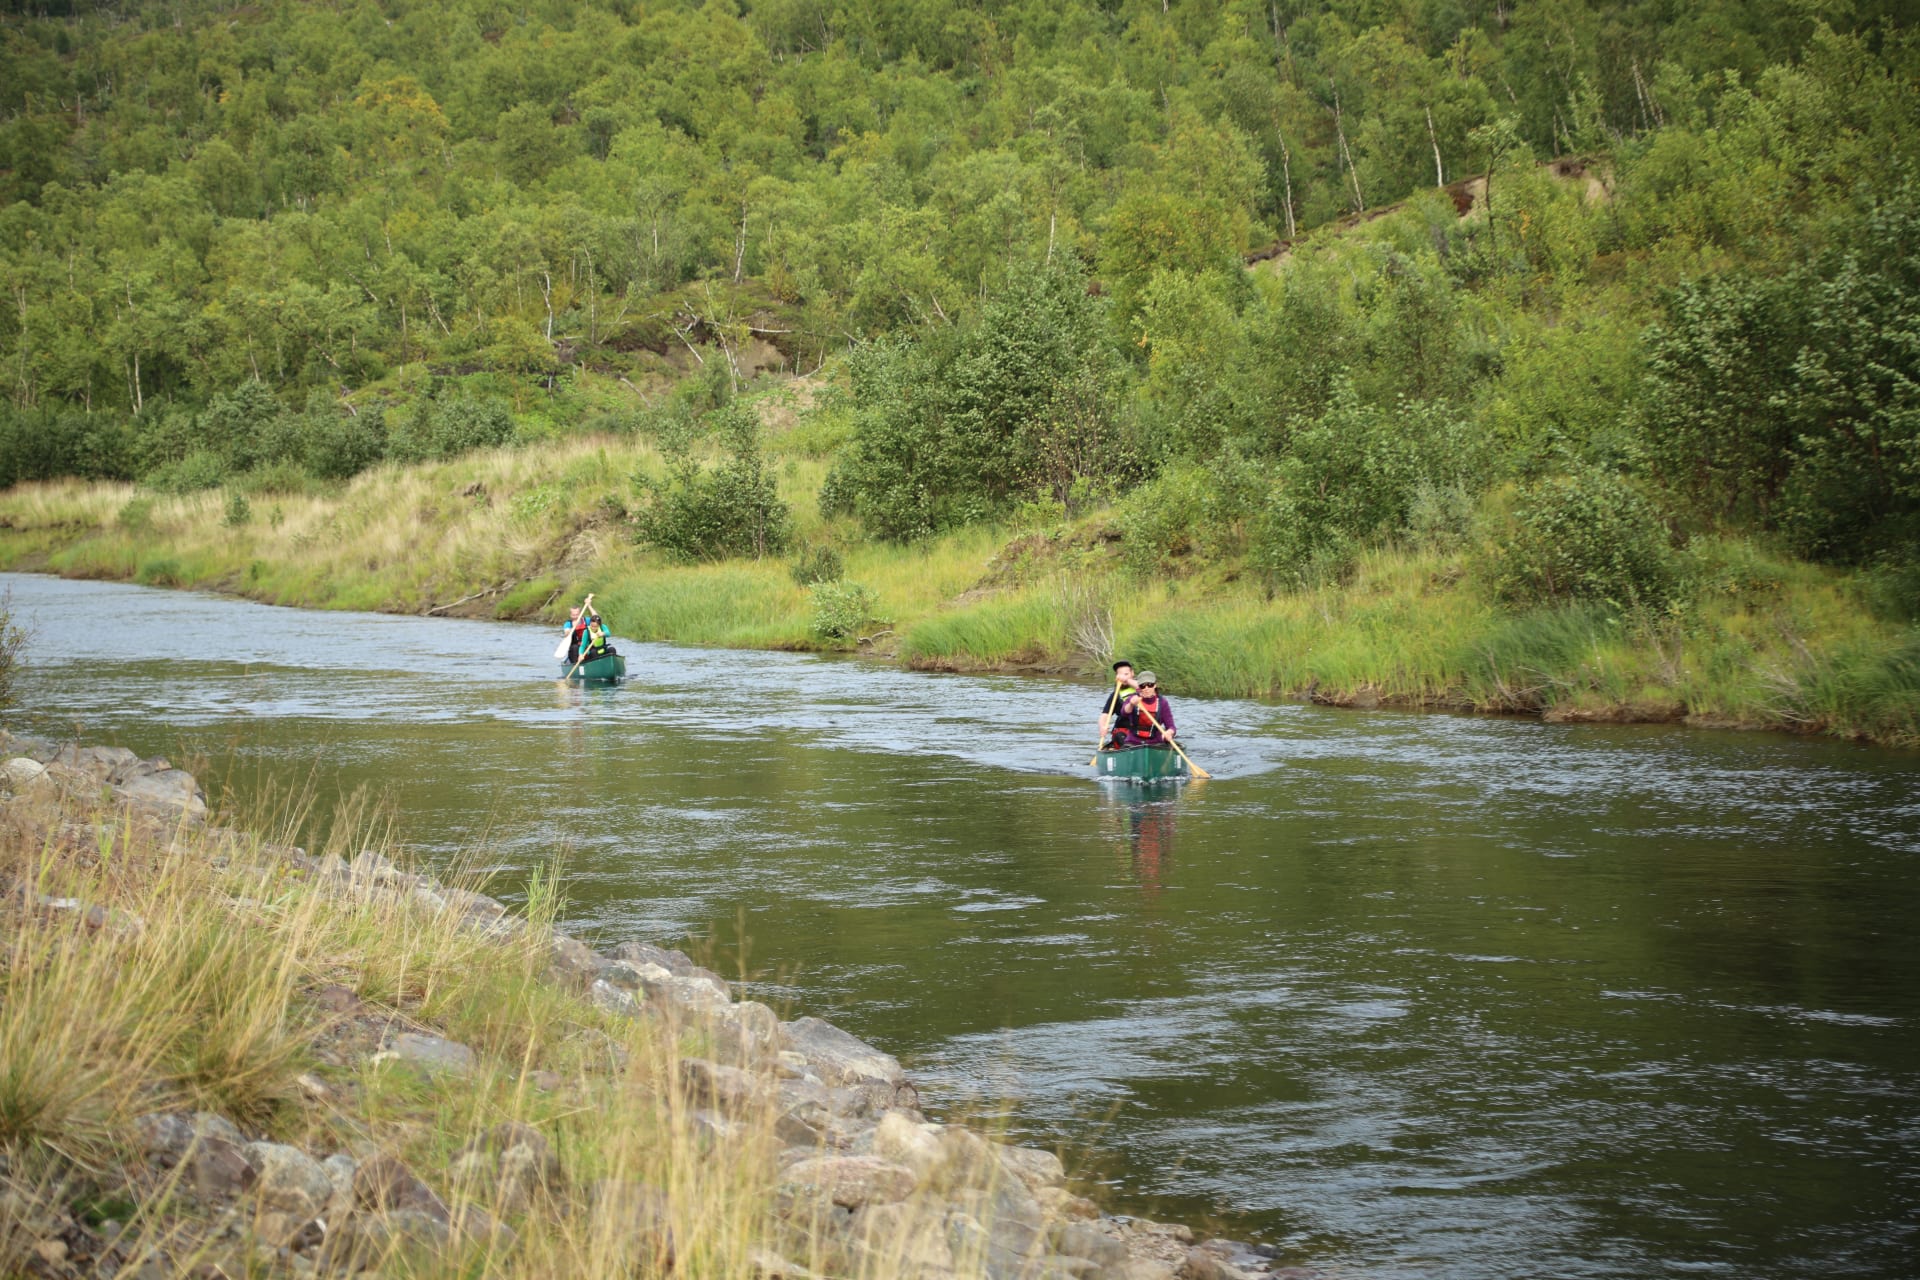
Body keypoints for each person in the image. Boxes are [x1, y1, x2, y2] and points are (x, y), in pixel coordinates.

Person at [1118, 671, 1176, 746]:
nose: (1146, 688)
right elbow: (1124, 713)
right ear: (1139, 687)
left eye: (1150, 685)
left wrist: (1169, 732)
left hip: (1155, 743)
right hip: (1133, 742)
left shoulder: (1162, 702)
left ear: (1155, 685)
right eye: (1143, 686)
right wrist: (1131, 704)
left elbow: (1171, 727)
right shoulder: (1133, 698)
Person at [1099, 660, 1138, 747]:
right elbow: (1105, 715)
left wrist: (1127, 680)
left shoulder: (1144, 688)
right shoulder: (1115, 695)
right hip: (1124, 731)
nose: (1123, 677)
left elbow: (1141, 687)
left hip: (1144, 730)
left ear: (1132, 673)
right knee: (1121, 738)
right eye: (1120, 674)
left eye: (1126, 674)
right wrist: (1102, 726)